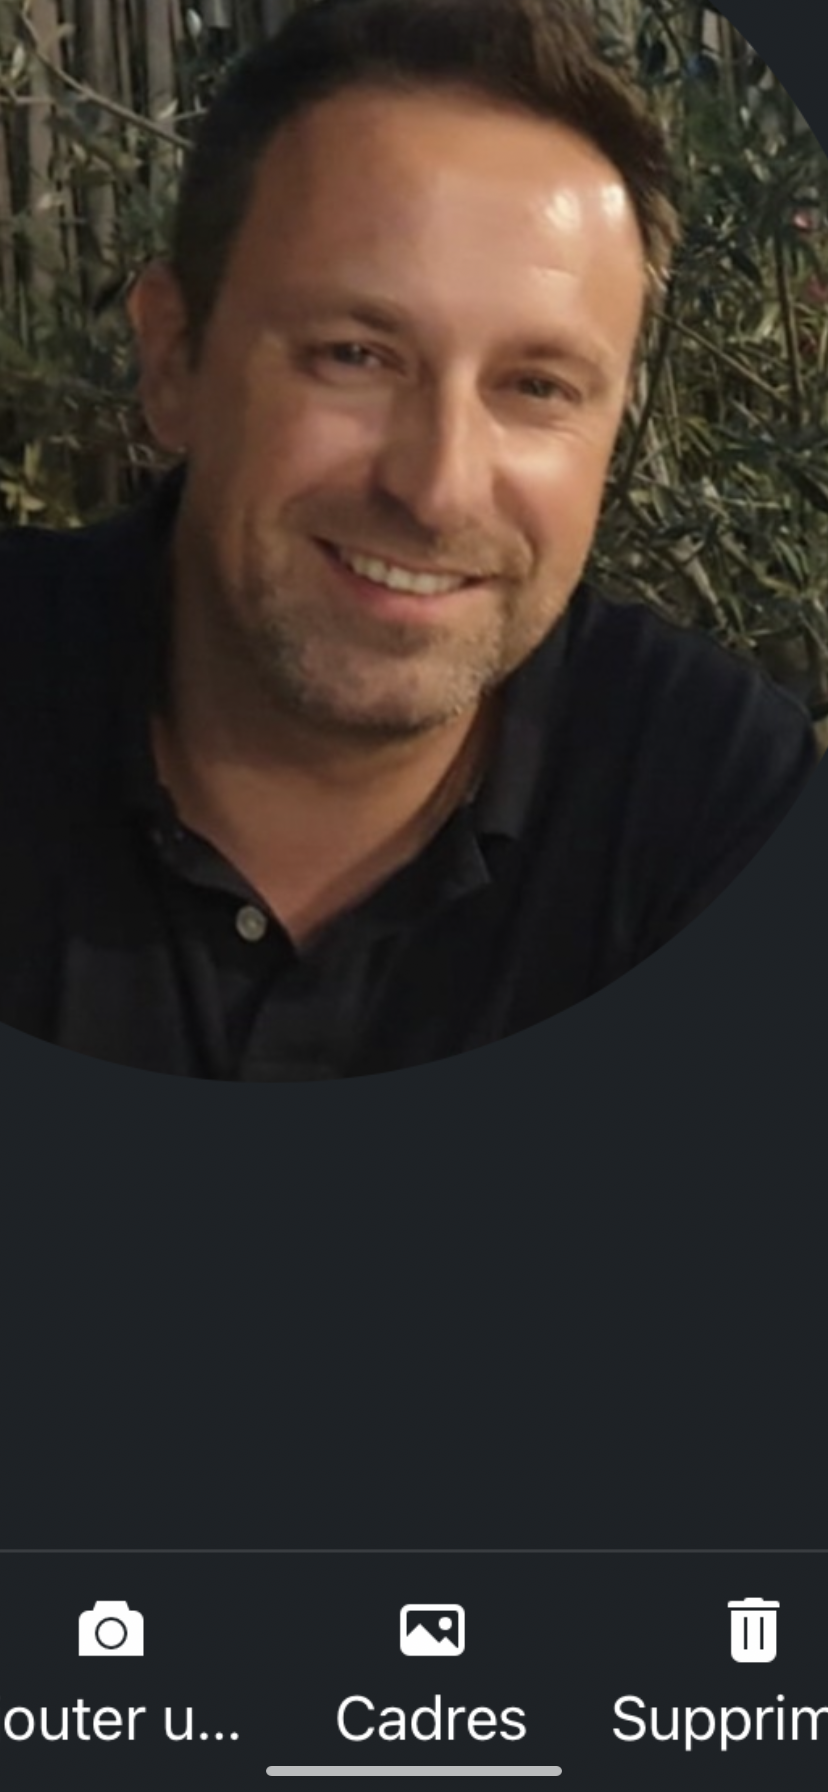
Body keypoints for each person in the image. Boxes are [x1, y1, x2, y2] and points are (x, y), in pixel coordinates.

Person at [0, 0, 815, 1080]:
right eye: (355, 355)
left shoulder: (708, 798)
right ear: (174, 360)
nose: (436, 489)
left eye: (537, 386)